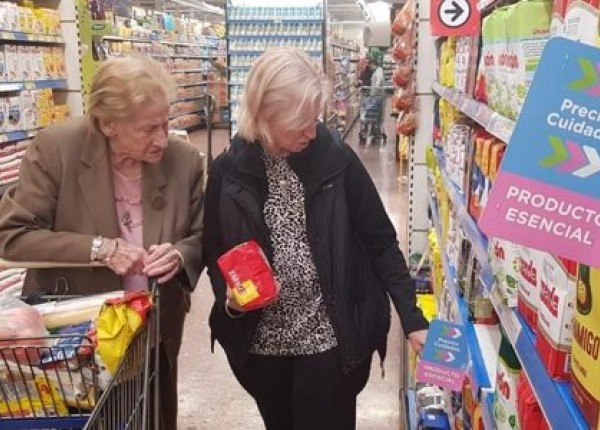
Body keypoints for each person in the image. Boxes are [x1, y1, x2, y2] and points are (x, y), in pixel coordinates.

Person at [202, 47, 428, 430]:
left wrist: (412, 317)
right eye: (299, 124)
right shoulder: (228, 171)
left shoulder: (335, 159)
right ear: (265, 117)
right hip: (263, 345)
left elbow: (379, 241)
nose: (312, 131)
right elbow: (214, 250)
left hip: (329, 338)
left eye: (314, 119)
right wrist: (232, 299)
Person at [0, 56, 204, 429]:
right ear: (108, 124)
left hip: (153, 326)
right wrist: (99, 249)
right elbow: (13, 237)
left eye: (166, 122)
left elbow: (202, 234)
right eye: (148, 129)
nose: (163, 138)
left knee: (151, 414)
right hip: (75, 334)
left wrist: (179, 254)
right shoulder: (57, 149)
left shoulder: (184, 160)